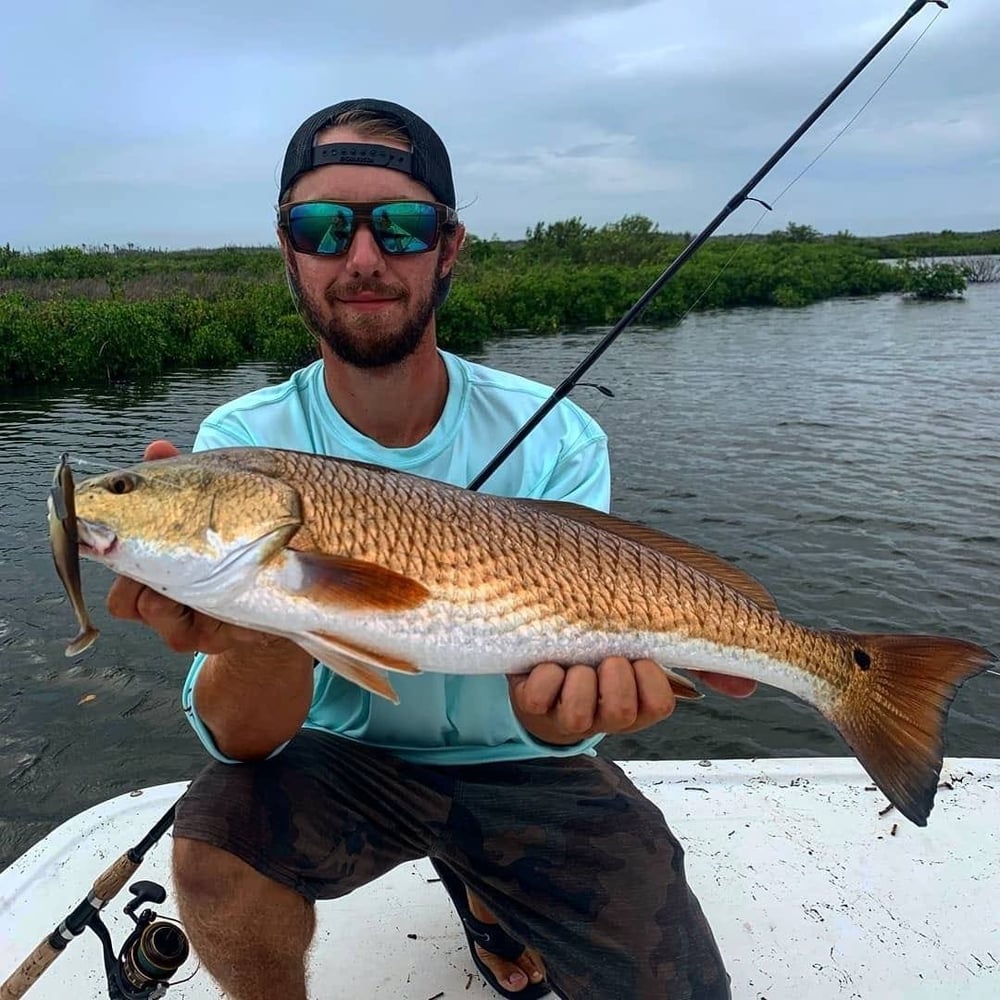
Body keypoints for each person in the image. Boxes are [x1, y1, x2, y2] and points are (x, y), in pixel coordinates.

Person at [107, 98, 755, 1000]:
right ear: (288, 251)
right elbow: (244, 742)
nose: (362, 258)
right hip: (337, 760)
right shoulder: (240, 441)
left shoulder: (559, 436)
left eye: (402, 227)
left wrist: (570, 716)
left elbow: (554, 709)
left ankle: (490, 892)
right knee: (216, 850)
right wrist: (252, 622)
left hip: (530, 764)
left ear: (449, 247)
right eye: (323, 227)